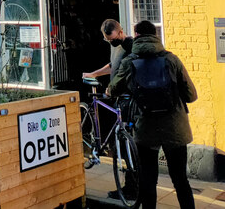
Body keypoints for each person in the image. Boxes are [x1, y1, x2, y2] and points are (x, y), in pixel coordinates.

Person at [108, 20, 198, 209]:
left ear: (137, 36)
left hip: (146, 129)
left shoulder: (129, 62)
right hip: (175, 128)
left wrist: (112, 91)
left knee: (148, 181)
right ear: (155, 36)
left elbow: (114, 89)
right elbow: (191, 96)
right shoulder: (172, 60)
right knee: (181, 180)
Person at [82, 19, 135, 200]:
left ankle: (131, 186)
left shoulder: (130, 45)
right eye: (107, 40)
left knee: (128, 144)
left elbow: (127, 70)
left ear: (120, 32)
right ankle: (128, 186)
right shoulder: (115, 46)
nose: (110, 42)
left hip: (128, 99)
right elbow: (112, 65)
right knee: (117, 140)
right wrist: (94, 73)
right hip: (115, 97)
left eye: (111, 39)